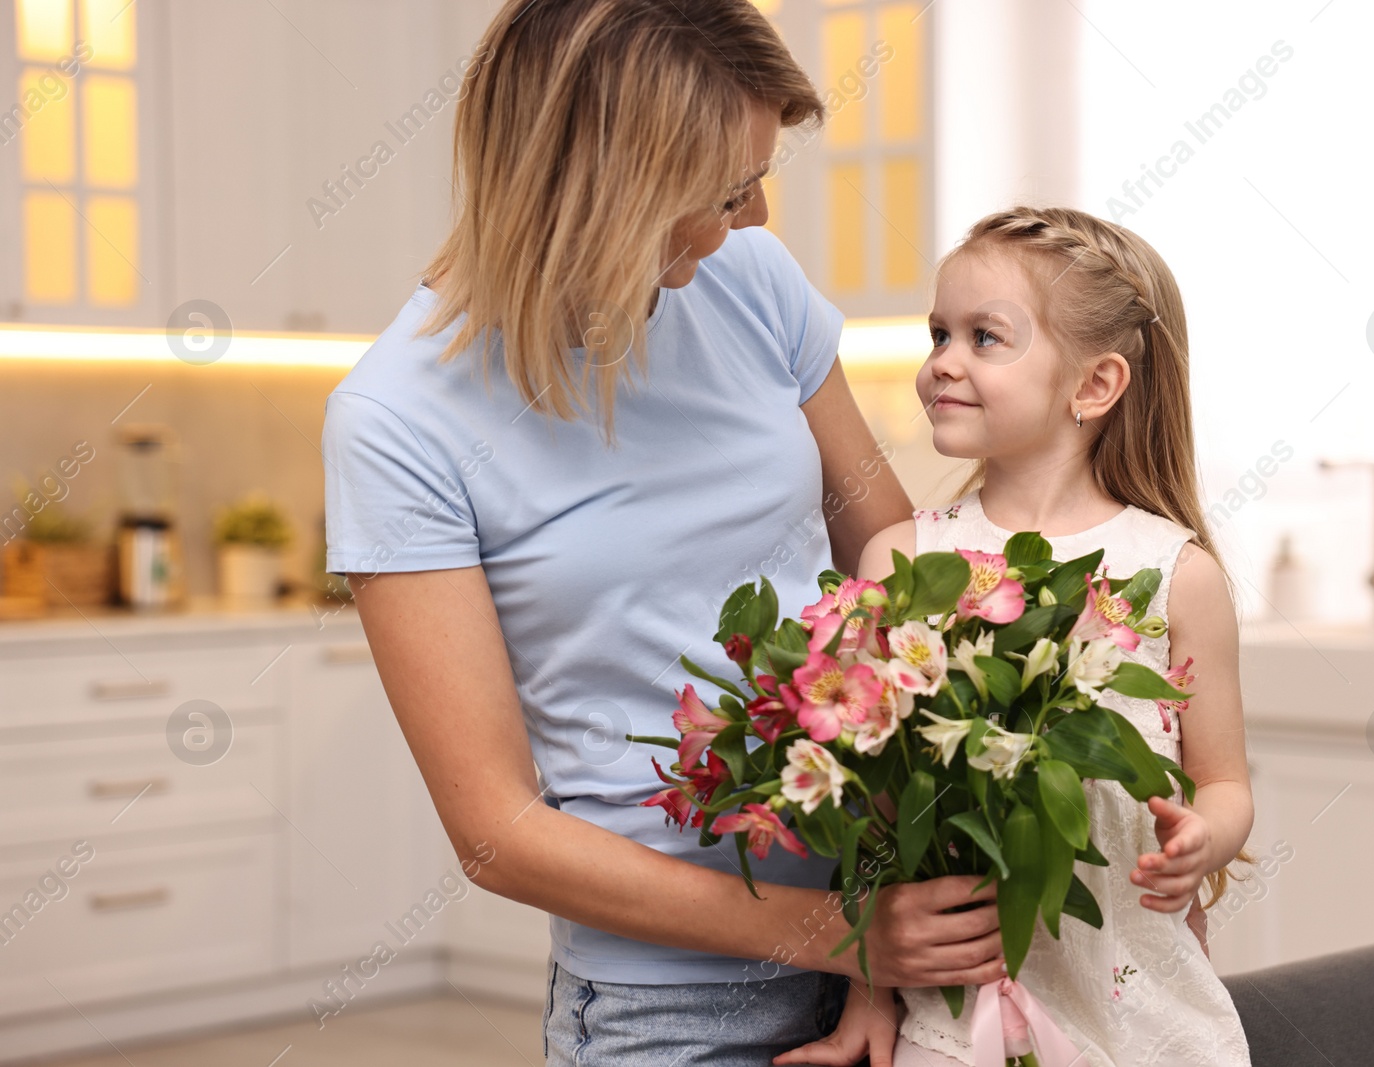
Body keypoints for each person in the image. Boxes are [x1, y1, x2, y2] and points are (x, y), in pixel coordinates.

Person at [319, 2, 1009, 1064]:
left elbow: (893, 574)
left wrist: (884, 920)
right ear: (600, 186)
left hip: (887, 950)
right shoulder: (399, 420)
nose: (754, 214)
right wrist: (843, 937)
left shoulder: (753, 283)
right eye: (725, 191)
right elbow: (496, 832)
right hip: (672, 1011)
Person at [776, 206, 1257, 1067]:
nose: (941, 364)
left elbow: (1223, 781)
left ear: (1095, 385)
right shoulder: (904, 560)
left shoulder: (1175, 574)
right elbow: (879, 818)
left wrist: (1202, 839)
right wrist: (866, 987)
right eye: (939, 334)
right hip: (957, 1019)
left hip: (1147, 1017)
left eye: (984, 337)